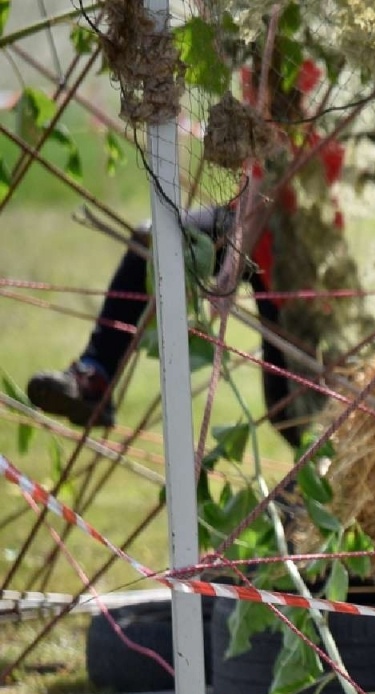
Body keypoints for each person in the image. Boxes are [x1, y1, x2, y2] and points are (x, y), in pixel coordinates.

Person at [26, 62, 344, 452]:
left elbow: (267, 191)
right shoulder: (258, 63)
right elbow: (252, 187)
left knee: (288, 407)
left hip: (295, 257)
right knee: (152, 243)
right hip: (240, 221)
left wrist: (229, 268)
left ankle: (310, 489)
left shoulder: (312, 110)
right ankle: (94, 377)